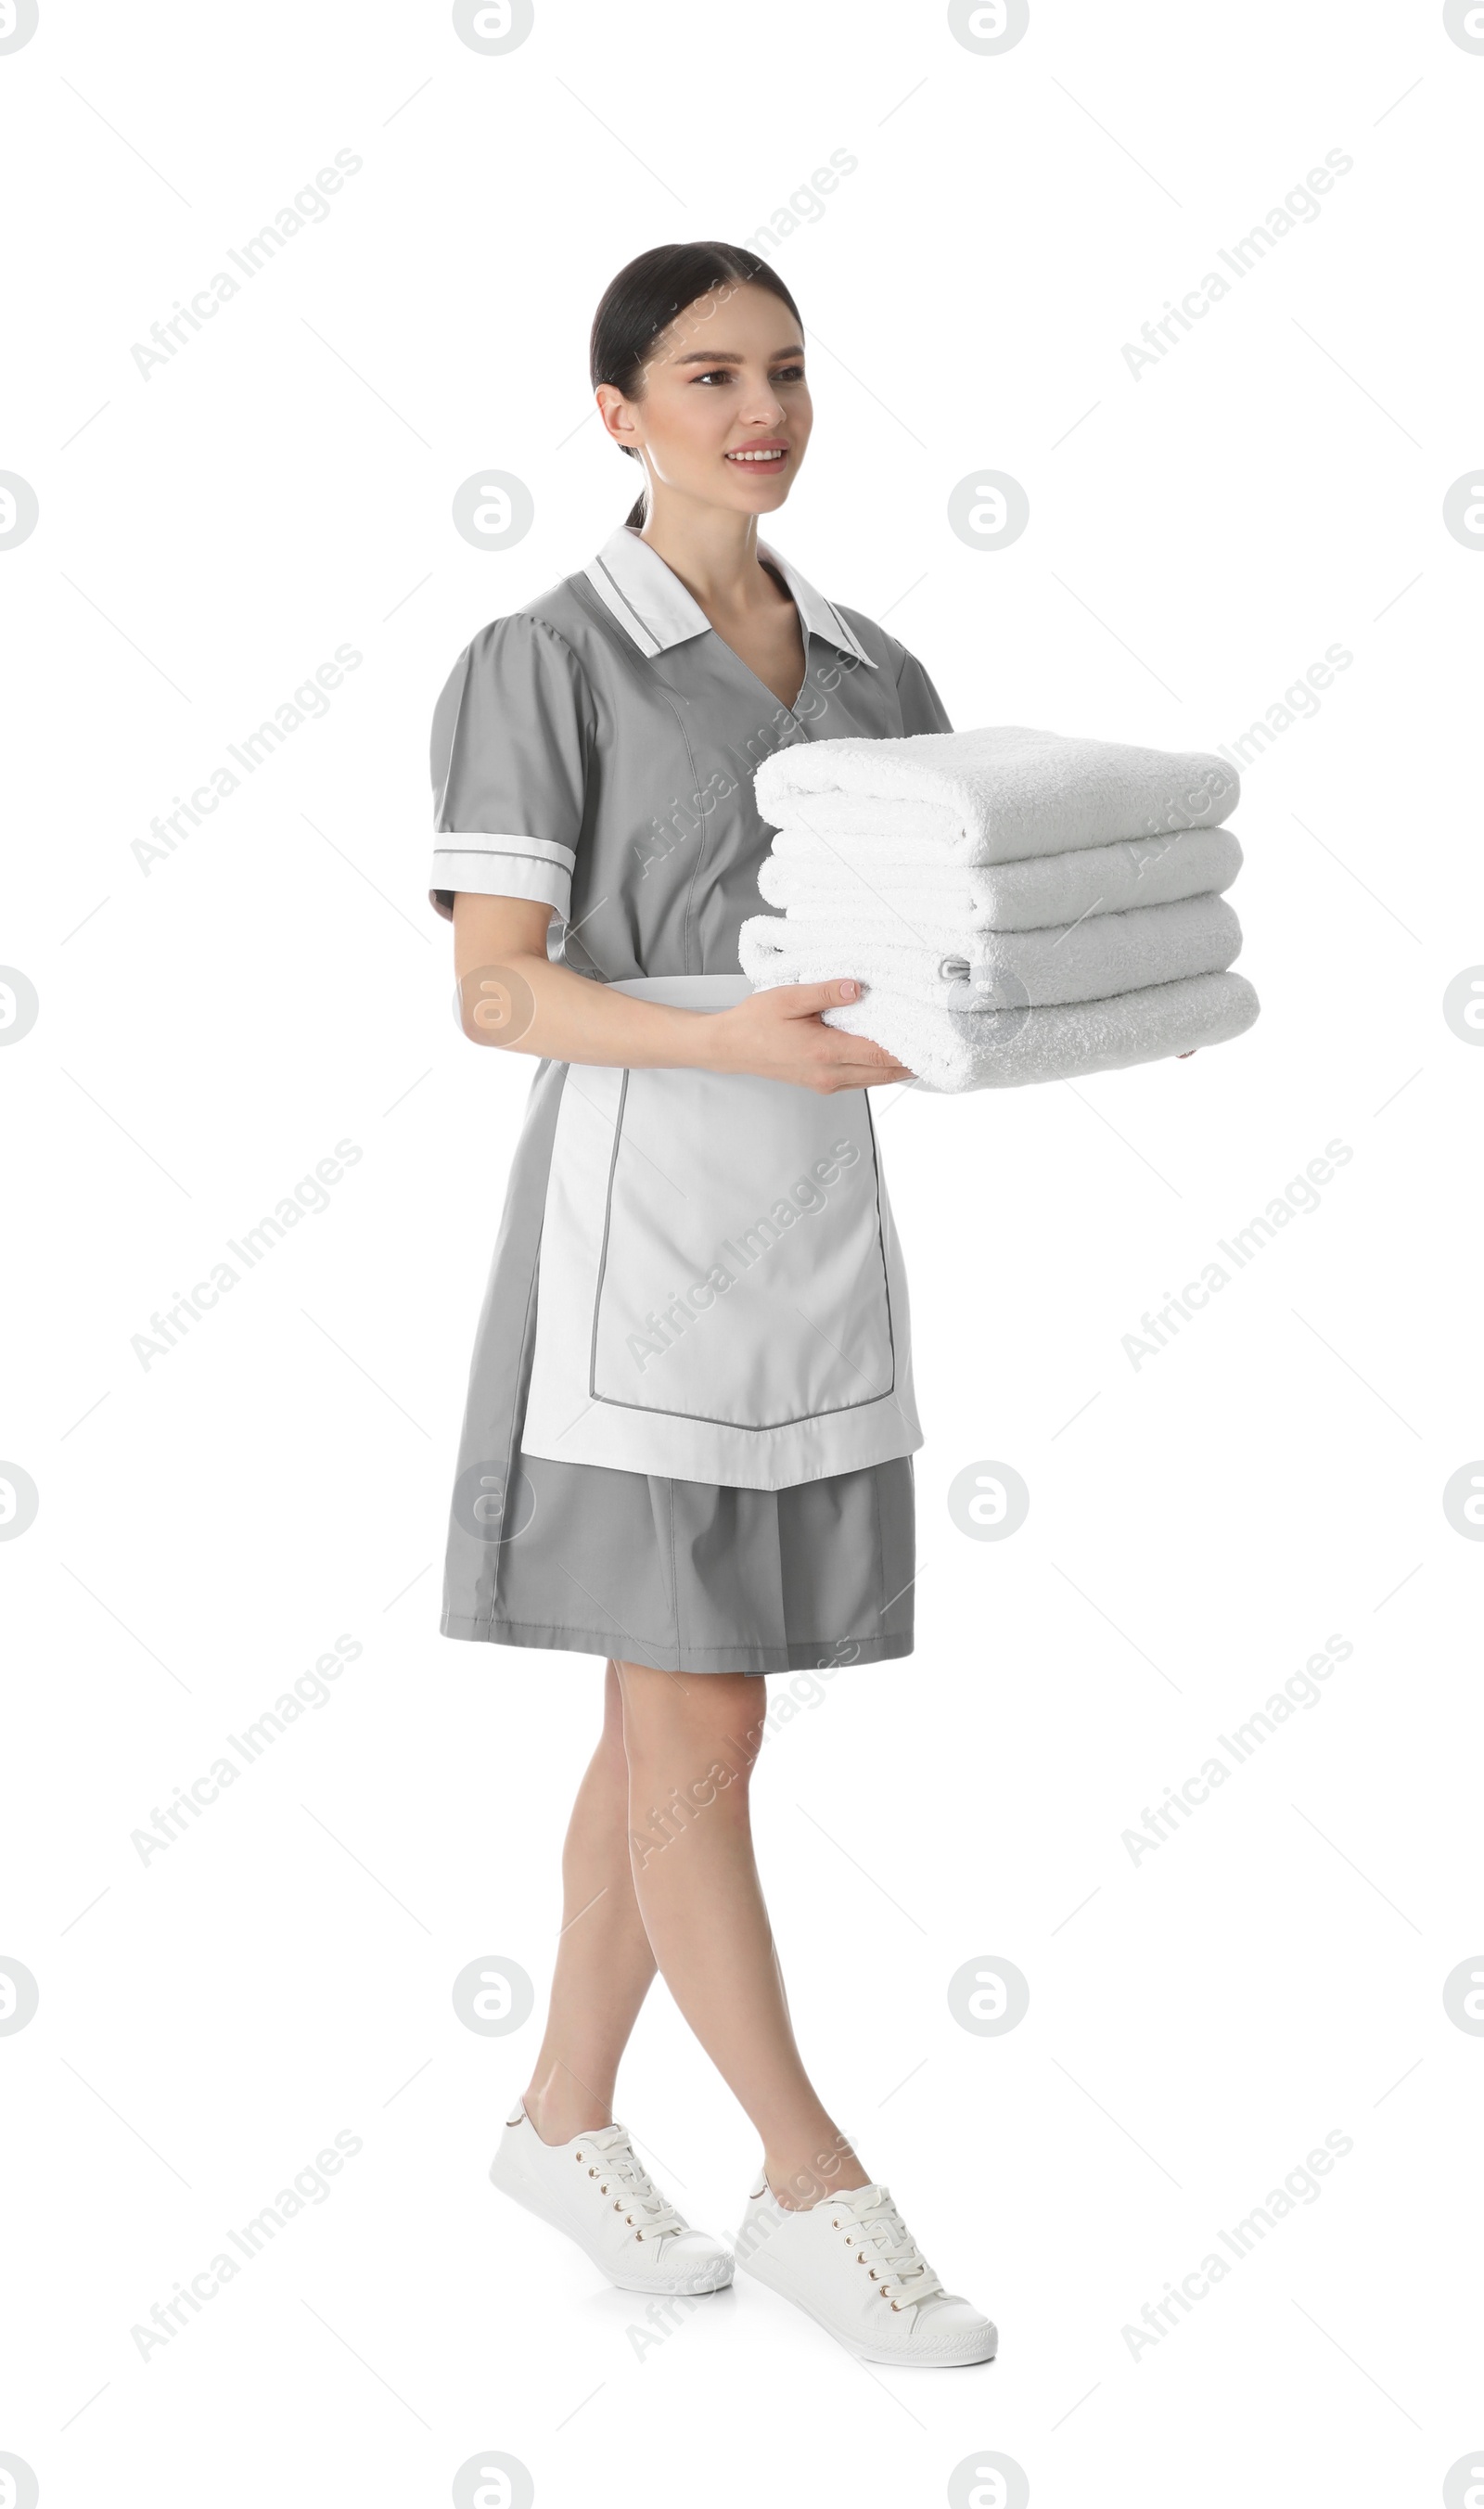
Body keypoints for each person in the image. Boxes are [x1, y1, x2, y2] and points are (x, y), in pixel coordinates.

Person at [429, 241, 996, 2367]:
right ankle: (809, 2179)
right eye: (702, 375)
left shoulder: (865, 665)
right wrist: (729, 1045)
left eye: (779, 371)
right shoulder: (543, 656)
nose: (754, 410)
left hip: (816, 1224)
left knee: (681, 1716)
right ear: (615, 412)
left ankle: (563, 2114)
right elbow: (496, 987)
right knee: (698, 1723)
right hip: (641, 1224)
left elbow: (948, 927)